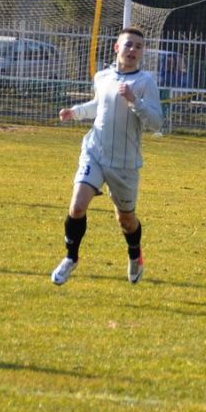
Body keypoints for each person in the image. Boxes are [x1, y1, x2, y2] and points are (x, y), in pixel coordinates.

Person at [51, 27, 164, 286]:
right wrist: (75, 112)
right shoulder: (102, 77)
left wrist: (135, 101)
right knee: (77, 206)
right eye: (128, 44)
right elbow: (98, 106)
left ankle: (135, 255)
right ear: (116, 47)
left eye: (138, 46)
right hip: (95, 152)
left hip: (124, 163)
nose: (133, 50)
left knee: (126, 220)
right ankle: (71, 257)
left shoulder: (145, 82)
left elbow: (157, 122)